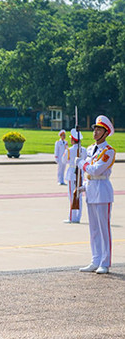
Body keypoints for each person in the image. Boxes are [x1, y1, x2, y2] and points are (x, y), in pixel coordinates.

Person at [78, 115, 116, 275]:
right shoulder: (90, 149)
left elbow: (96, 170)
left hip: (103, 191)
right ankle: (95, 259)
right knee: (93, 229)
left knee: (103, 229)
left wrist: (81, 163)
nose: (95, 132)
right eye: (94, 129)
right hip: (92, 190)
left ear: (105, 133)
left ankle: (105, 262)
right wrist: (83, 187)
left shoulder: (109, 151)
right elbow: (90, 173)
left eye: (99, 129)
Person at [63, 129, 87, 224]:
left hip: (72, 173)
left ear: (73, 140)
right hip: (80, 173)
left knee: (72, 195)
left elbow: (64, 160)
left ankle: (72, 217)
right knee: (79, 196)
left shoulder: (69, 150)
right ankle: (78, 217)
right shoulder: (84, 150)